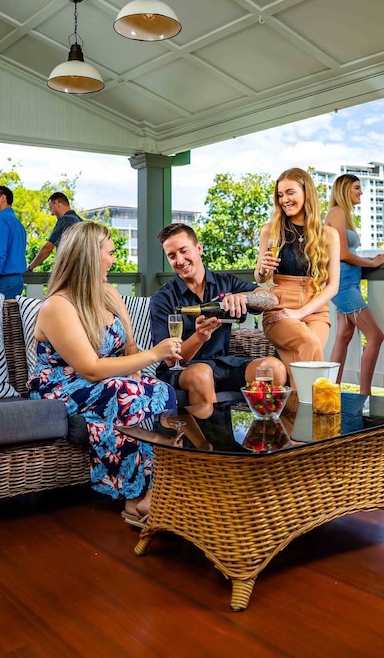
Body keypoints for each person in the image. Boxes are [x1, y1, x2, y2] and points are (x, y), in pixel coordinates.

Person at [28, 221, 182, 528]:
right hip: (63, 385)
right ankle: (136, 498)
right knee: (124, 392)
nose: (113, 260)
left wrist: (137, 372)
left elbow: (130, 347)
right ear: (89, 255)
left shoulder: (109, 293)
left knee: (162, 390)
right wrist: (154, 355)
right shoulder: (57, 305)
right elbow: (90, 368)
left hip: (107, 381)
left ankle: (162, 487)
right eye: (109, 253)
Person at [151, 223, 285, 405]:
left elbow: (271, 300)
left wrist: (244, 297)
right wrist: (199, 337)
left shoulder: (225, 282)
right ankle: (214, 425)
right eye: (172, 256)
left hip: (222, 364)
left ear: (199, 248)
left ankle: (262, 423)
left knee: (274, 368)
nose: (180, 260)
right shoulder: (163, 298)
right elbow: (169, 359)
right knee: (202, 374)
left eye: (184, 251)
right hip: (183, 370)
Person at [254, 168, 340, 381]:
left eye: (290, 192)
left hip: (316, 312)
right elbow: (260, 277)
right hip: (280, 310)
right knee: (309, 345)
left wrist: (301, 313)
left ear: (306, 192)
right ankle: (319, 399)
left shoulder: (328, 234)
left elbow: (333, 286)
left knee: (305, 358)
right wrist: (263, 269)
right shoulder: (271, 230)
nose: (284, 200)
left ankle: (295, 400)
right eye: (280, 195)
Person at [324, 174, 384, 407]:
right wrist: (372, 263)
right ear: (345, 189)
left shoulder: (344, 214)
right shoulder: (337, 212)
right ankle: (364, 394)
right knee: (376, 336)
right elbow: (342, 254)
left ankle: (331, 392)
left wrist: (367, 261)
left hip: (349, 282)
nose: (361, 192)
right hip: (343, 285)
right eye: (357, 188)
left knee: (343, 336)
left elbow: (347, 252)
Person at [26, 191, 83, 273]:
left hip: (69, 272)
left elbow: (48, 248)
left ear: (56, 203)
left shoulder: (65, 220)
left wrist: (30, 268)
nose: (52, 214)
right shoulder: (82, 222)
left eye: (51, 209)